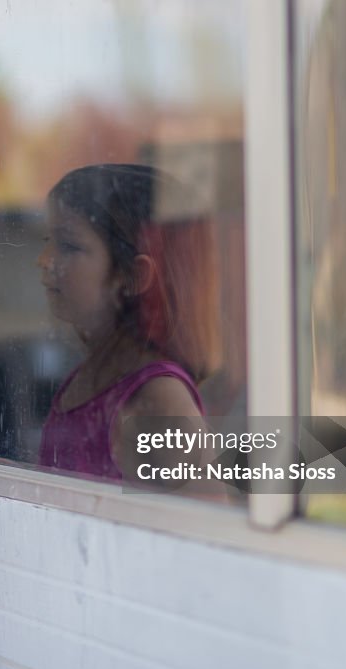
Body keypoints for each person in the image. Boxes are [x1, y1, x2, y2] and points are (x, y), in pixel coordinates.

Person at [37, 163, 221, 480]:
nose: (43, 260)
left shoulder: (157, 396)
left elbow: (206, 507)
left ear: (133, 276)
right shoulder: (86, 377)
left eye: (68, 245)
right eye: (47, 240)